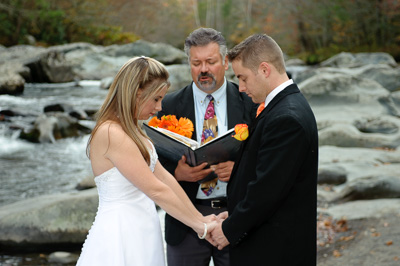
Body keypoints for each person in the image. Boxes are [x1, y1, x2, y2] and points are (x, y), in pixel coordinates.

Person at [76, 56, 216, 266]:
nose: (159, 107)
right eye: (156, 99)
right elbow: (156, 190)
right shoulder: (110, 132)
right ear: (137, 94)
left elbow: (165, 179)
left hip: (143, 229)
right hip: (120, 234)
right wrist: (201, 228)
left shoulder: (134, 131)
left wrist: (200, 218)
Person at [209, 34, 319, 265]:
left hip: (275, 250)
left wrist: (229, 230)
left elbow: (267, 190)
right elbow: (264, 176)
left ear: (265, 69)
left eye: (243, 78)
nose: (241, 87)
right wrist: (236, 212)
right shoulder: (281, 107)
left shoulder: (286, 118)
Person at [157, 28, 257, 266]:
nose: (203, 69)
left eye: (210, 62)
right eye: (196, 63)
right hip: (184, 220)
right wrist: (176, 174)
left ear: (225, 62)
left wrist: (239, 171)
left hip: (235, 216)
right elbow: (151, 161)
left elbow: (265, 158)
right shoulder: (167, 105)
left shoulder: (250, 102)